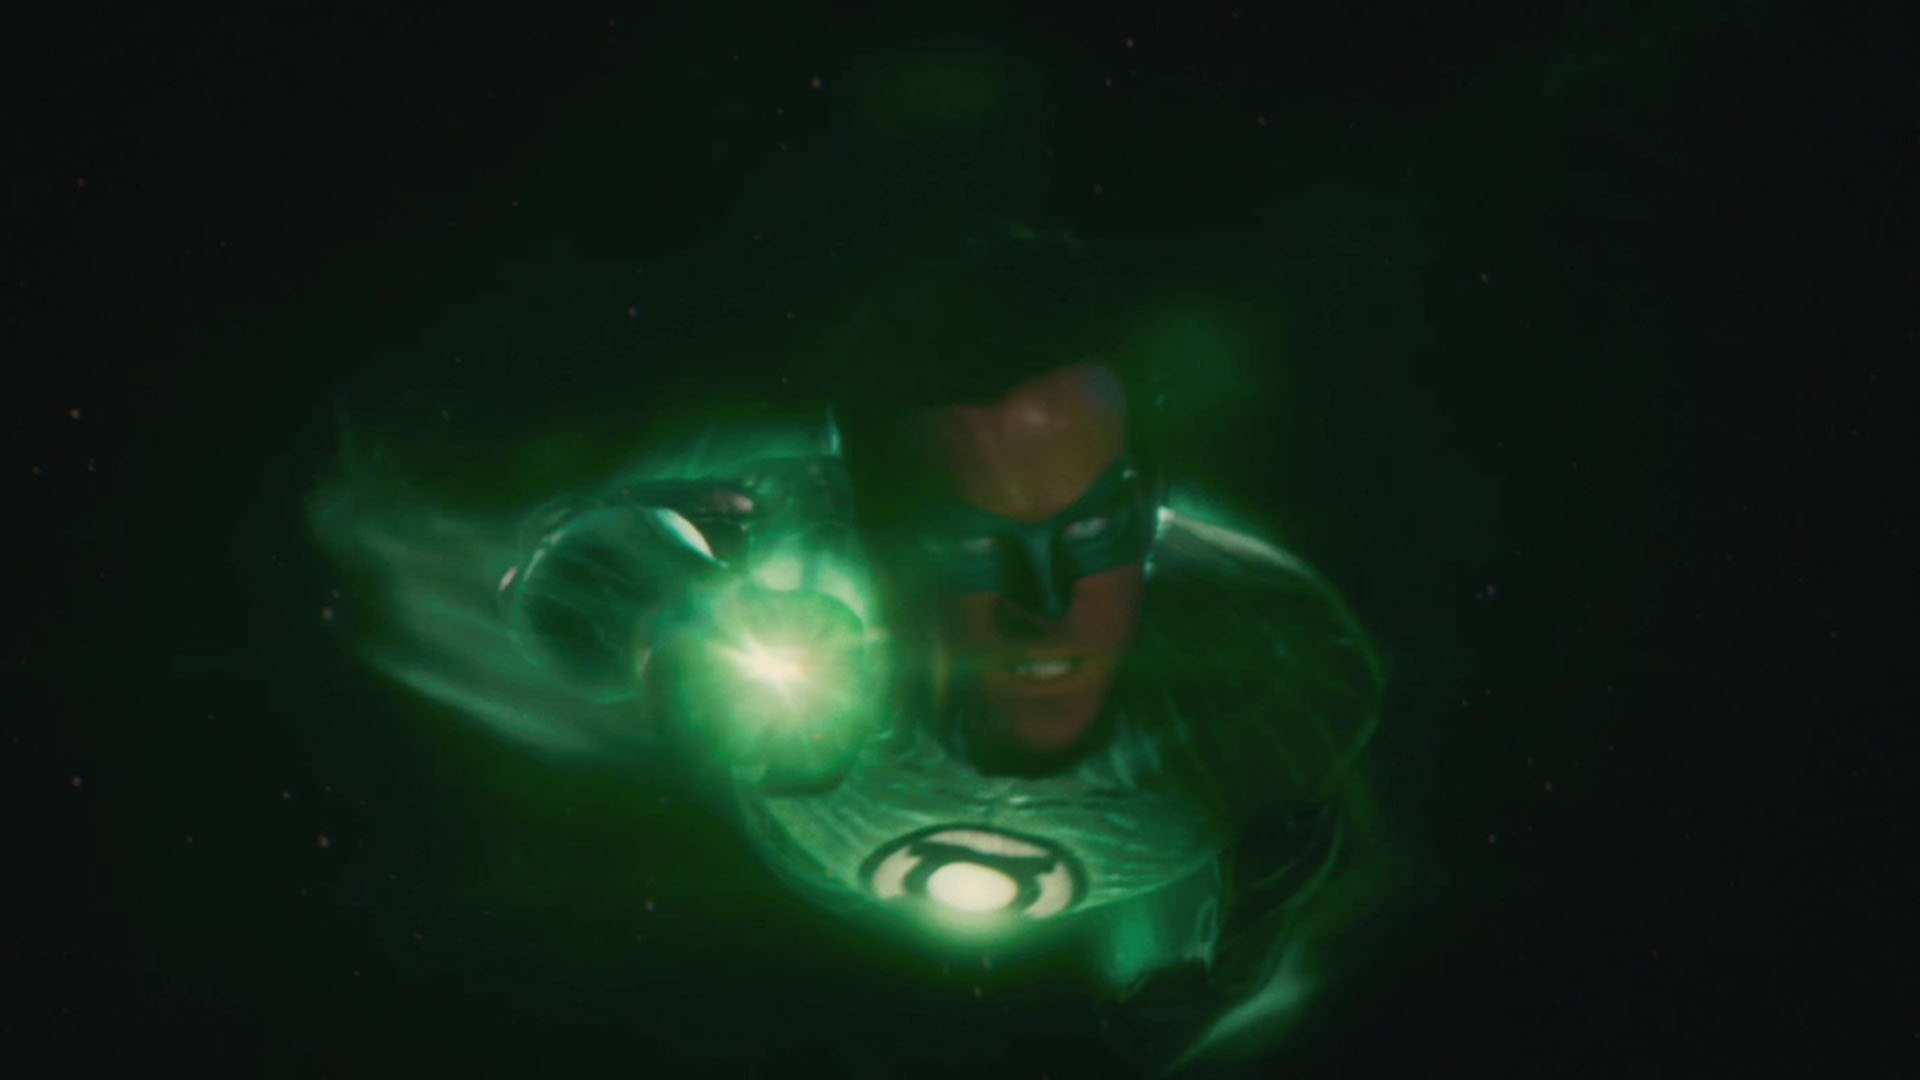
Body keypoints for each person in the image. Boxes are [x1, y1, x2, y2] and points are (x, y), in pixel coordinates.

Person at [337, 218, 1383, 1072]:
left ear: (1146, 513)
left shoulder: (1278, 665)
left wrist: (1213, 975)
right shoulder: (793, 548)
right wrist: (664, 617)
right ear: (877, 526)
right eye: (965, 542)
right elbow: (594, 575)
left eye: (1093, 532)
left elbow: (1285, 831)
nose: (1041, 606)